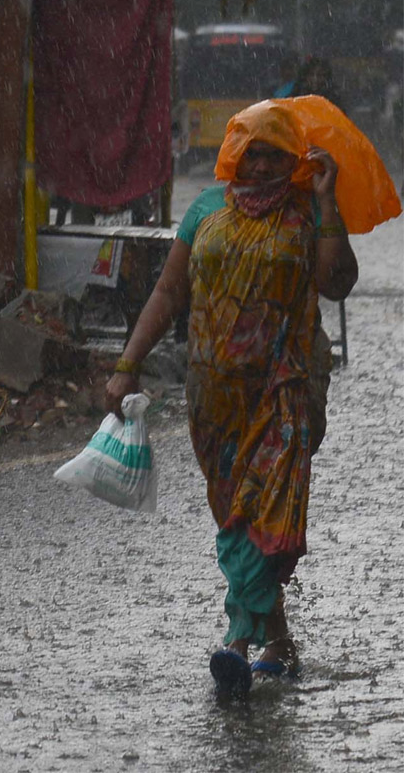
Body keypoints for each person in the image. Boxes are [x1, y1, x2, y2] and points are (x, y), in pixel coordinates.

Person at [104, 100, 359, 697]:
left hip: (287, 388)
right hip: (213, 396)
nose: (264, 162)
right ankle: (280, 642)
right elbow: (168, 291)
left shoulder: (306, 212)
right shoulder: (205, 211)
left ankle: (236, 643)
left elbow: (338, 282)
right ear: (234, 154)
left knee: (264, 516)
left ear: (293, 158)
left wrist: (326, 200)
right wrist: (126, 365)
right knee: (237, 520)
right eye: (254, 151)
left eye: (276, 152)